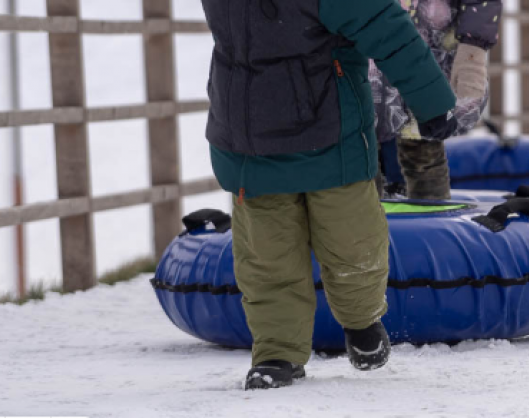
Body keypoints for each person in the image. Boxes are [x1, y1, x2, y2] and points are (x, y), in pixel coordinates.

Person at [199, 0, 458, 390]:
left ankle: (362, 320)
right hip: (247, 137)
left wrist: (432, 101)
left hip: (331, 132)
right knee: (267, 257)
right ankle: (277, 352)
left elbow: (386, 28)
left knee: (352, 241)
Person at [371, 0, 502, 199]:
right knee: (361, 155)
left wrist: (472, 52)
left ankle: (431, 220)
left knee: (424, 151)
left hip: (426, 53)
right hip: (364, 52)